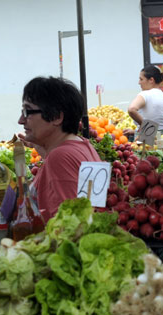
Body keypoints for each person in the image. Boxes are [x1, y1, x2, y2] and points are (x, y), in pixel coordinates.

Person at [17, 76, 101, 221]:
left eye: (27, 112)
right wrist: (42, 147)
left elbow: (68, 225)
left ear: (56, 117)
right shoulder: (82, 145)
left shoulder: (61, 157)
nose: (21, 120)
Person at [127, 65, 163, 136]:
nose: (139, 82)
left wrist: (147, 127)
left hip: (147, 137)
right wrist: (134, 131)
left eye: (141, 79)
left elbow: (132, 109)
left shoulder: (145, 94)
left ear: (151, 80)